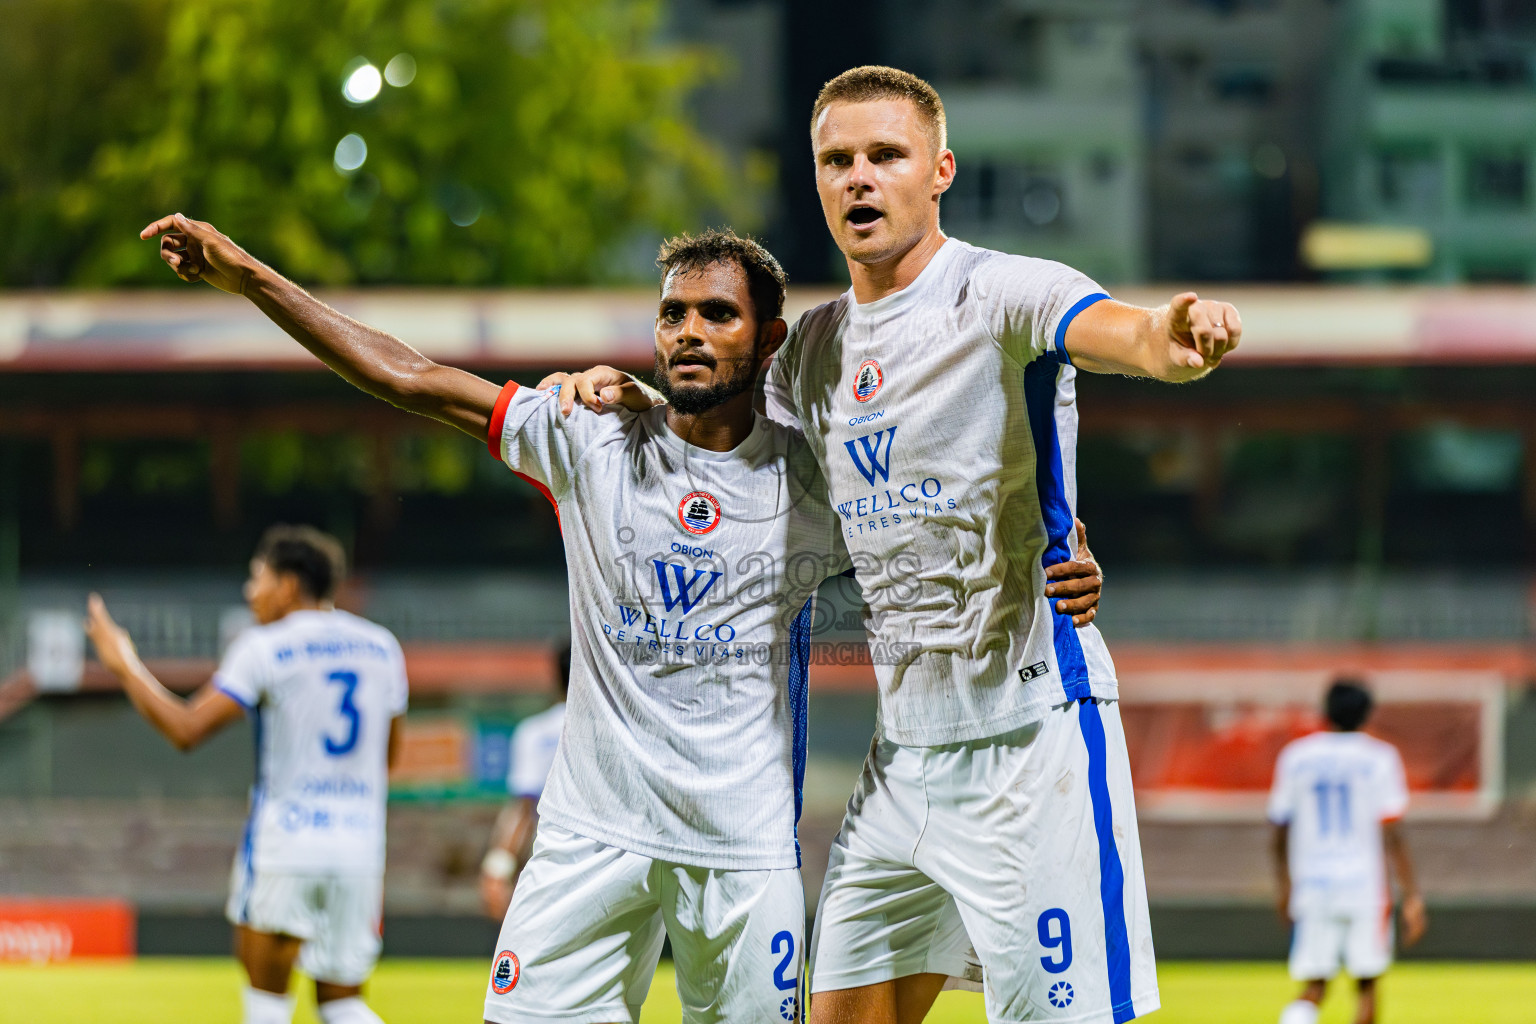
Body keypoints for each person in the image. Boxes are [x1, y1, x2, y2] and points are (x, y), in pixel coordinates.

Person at [137, 212, 1101, 1022]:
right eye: (673, 313)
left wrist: (1066, 555)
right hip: (588, 838)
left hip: (743, 854)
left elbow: (948, 530)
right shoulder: (587, 437)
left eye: (717, 314)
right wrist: (253, 278)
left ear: (767, 343)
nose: (688, 330)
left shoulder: (818, 479)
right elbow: (408, 375)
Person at [554, 64, 1241, 1024]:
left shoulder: (1005, 293)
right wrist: (624, 393)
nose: (859, 178)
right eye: (837, 160)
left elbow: (1123, 335)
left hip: (1029, 740)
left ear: (940, 170)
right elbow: (732, 452)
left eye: (885, 155)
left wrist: (1175, 333)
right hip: (902, 758)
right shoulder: (810, 352)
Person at [84, 525, 407, 1024]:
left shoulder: (265, 647)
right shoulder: (382, 648)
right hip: (361, 851)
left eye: (257, 578)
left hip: (287, 846)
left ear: (288, 585)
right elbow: (387, 758)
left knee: (267, 1009)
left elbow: (188, 729)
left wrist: (125, 665)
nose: (250, 592)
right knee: (344, 1006)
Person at [1268, 680, 1427, 1024]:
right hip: (1364, 886)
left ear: (1326, 711)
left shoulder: (1296, 757)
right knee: (1367, 984)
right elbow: (1392, 832)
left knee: (1313, 986)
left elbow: (1280, 830)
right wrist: (1412, 895)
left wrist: (1284, 885)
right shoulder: (1380, 758)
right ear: (1368, 713)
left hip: (1312, 883)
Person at [479, 643, 570, 918]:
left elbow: (523, 810)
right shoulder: (618, 727)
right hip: (612, 859)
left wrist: (497, 868)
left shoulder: (535, 732)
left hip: (550, 858)